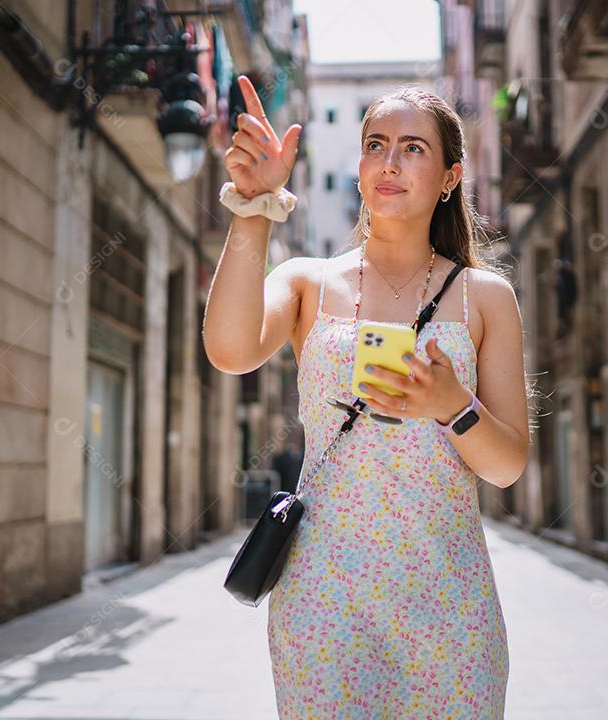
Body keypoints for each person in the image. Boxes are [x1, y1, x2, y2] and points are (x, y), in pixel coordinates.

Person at [203, 75, 530, 719]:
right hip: (323, 602)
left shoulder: (486, 297)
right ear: (357, 165)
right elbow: (230, 349)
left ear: (449, 176)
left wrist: (452, 404)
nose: (389, 161)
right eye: (375, 144)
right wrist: (252, 207)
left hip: (449, 603)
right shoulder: (308, 283)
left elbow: (507, 463)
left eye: (413, 148)